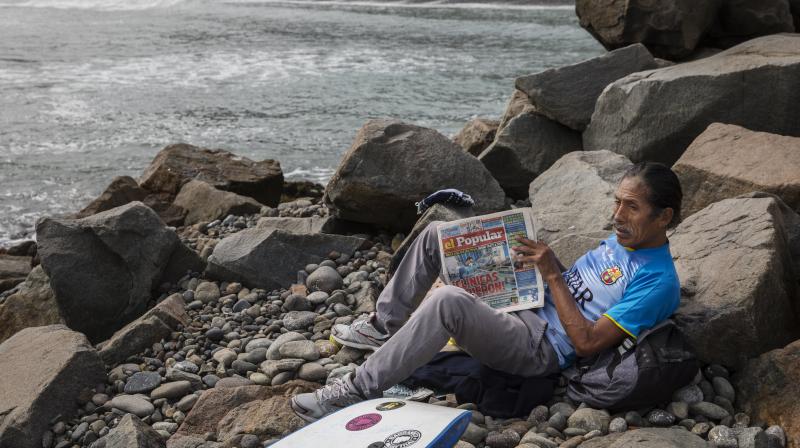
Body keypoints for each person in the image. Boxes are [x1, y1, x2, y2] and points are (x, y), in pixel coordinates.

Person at [291, 162, 683, 422]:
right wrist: (530, 255)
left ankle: (354, 391)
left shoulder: (657, 282)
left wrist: (551, 274)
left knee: (448, 302)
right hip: (529, 303)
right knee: (438, 237)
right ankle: (381, 325)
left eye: (630, 207)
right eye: (616, 203)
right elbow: (581, 289)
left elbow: (584, 341)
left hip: (540, 348)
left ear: (663, 217)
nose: (617, 216)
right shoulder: (623, 241)